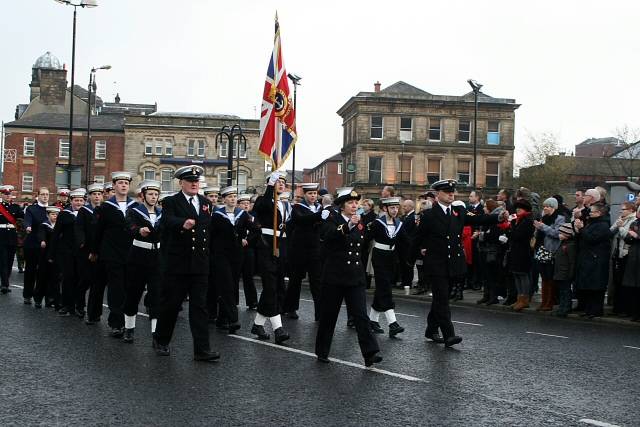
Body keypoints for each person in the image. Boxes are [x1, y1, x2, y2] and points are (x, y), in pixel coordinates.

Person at [411, 180, 504, 347]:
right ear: (438, 194)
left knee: (441, 298)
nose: (451, 194)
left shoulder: (459, 211)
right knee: (442, 299)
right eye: (447, 192)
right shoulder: (429, 216)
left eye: (452, 191)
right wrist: (418, 252)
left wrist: (497, 217)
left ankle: (431, 329)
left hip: (453, 262)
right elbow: (417, 238)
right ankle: (449, 335)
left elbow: (478, 218)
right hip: (436, 263)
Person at [154, 165, 219, 362]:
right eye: (190, 181)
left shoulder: (206, 203)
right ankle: (161, 339)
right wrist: (181, 223)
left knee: (200, 307)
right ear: (181, 182)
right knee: (171, 305)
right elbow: (166, 221)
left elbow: (209, 233)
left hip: (199, 264)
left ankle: (202, 350)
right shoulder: (172, 202)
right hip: (178, 264)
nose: (194, 184)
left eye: (196, 181)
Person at [315, 187, 382, 367]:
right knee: (329, 316)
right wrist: (348, 226)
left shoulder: (360, 222)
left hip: (354, 276)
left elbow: (362, 243)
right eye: (350, 203)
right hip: (334, 276)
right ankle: (322, 351)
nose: (354, 206)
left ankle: (370, 353)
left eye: (356, 203)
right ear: (342, 205)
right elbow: (328, 236)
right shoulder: (331, 218)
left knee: (360, 315)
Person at [90, 172, 136, 337]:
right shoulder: (106, 207)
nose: (124, 185)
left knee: (128, 288)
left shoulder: (135, 206)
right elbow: (98, 231)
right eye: (120, 183)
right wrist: (95, 251)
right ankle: (116, 323)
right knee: (116, 288)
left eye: (126, 183)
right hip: (112, 253)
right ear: (114, 186)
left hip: (131, 253)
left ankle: (127, 321)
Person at [249, 171, 290, 344]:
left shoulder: (285, 205)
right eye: (277, 182)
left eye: (283, 182)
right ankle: (278, 329)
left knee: (278, 288)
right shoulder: (264, 201)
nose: (281, 184)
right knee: (271, 287)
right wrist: (269, 187)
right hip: (266, 247)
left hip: (280, 248)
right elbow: (262, 206)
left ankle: (258, 324)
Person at [122, 180, 163, 344]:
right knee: (133, 292)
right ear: (143, 196)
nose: (153, 197)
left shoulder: (162, 213)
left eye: (156, 194)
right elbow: (129, 226)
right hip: (138, 255)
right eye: (150, 194)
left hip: (157, 256)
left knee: (156, 294)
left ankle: (156, 333)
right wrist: (139, 230)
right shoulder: (134, 211)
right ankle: (129, 328)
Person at [210, 186, 250, 334]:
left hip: (236, 255)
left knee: (232, 286)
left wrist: (247, 239)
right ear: (224, 199)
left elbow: (254, 229)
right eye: (230, 197)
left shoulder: (242, 214)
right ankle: (233, 319)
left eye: (235, 197)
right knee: (226, 285)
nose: (233, 199)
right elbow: (211, 235)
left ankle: (221, 319)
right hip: (220, 255)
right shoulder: (217, 215)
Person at [366, 196, 408, 337]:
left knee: (382, 289)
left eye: (396, 207)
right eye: (392, 208)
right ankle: (393, 323)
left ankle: (372, 321)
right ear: (385, 209)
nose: (395, 210)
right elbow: (365, 239)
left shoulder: (399, 224)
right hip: (379, 257)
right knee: (385, 289)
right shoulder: (377, 223)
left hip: (391, 258)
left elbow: (406, 241)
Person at [283, 183, 324, 320]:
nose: (313, 196)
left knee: (316, 282)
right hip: (299, 249)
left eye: (315, 194)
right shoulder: (297, 207)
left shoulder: (320, 207)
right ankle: (290, 308)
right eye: (310, 194)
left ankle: (320, 312)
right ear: (305, 194)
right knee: (295, 280)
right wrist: (318, 217)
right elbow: (300, 220)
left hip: (314, 249)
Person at [48, 188, 86, 317]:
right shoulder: (64, 214)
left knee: (81, 279)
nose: (79, 203)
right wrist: (51, 254)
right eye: (76, 200)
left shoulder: (87, 213)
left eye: (81, 200)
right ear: (71, 201)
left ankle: (79, 306)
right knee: (68, 278)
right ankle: (66, 305)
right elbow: (56, 233)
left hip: (82, 252)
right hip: (66, 251)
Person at [574, 202, 611, 319]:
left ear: (599, 213)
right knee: (589, 286)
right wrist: (579, 229)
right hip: (588, 258)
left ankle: (596, 310)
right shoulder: (592, 223)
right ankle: (588, 309)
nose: (590, 213)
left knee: (596, 287)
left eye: (592, 212)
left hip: (596, 260)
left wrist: (581, 229)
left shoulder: (603, 225)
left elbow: (592, 239)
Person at [75, 183, 104, 322]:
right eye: (94, 194)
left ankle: (94, 311)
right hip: (86, 250)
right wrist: (82, 242)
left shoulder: (105, 210)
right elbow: (79, 228)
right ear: (90, 197)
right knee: (85, 279)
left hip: (101, 250)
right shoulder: (84, 211)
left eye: (99, 194)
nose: (97, 197)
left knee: (97, 282)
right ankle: (79, 305)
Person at [532, 197, 564, 311]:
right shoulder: (544, 217)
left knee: (550, 277)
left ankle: (549, 302)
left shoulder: (560, 218)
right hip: (541, 249)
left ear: (554, 207)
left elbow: (557, 233)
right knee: (544, 277)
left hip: (551, 250)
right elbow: (540, 233)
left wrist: (542, 227)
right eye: (544, 206)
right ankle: (543, 301)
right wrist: (537, 229)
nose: (545, 208)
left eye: (548, 206)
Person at [505, 199, 536, 312]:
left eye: (520, 208)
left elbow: (517, 235)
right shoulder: (517, 220)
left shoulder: (527, 221)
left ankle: (525, 299)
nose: (517, 210)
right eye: (517, 208)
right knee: (516, 274)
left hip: (523, 251)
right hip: (515, 250)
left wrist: (510, 229)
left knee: (523, 275)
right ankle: (519, 298)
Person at [475, 199, 506, 305]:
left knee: (492, 274)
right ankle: (486, 295)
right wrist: (483, 234)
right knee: (485, 274)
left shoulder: (495, 220)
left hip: (491, 250)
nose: (483, 208)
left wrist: (481, 234)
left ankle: (493, 296)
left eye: (485, 207)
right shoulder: (487, 218)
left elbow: (493, 235)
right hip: (484, 249)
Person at [22, 187, 49, 304]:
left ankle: (39, 298)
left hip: (46, 245)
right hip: (32, 243)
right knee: (30, 270)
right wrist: (27, 226)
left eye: (47, 194)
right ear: (38, 196)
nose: (45, 196)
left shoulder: (52, 209)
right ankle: (27, 295)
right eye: (42, 194)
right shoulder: (31, 209)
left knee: (43, 272)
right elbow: (27, 220)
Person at [610, 201, 636, 316]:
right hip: (618, 253)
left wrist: (621, 227)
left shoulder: (633, 220)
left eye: (623, 209)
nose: (621, 211)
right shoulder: (621, 219)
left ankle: (625, 309)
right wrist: (617, 224)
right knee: (617, 281)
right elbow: (611, 231)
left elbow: (627, 237)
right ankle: (617, 308)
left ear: (631, 210)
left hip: (626, 254)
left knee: (624, 282)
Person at [35, 206, 60, 308]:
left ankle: (51, 299)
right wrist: (42, 240)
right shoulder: (44, 225)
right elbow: (41, 234)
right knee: (42, 277)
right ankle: (38, 299)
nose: (55, 216)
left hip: (56, 254)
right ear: (48, 215)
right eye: (53, 214)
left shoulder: (59, 226)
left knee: (54, 278)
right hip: (45, 255)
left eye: (56, 214)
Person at [0, 185, 24, 295]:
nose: (7, 196)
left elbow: (22, 218)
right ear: (1, 195)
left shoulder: (15, 207)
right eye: (5, 194)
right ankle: (5, 284)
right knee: (3, 260)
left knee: (9, 260)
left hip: (12, 237)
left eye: (9, 194)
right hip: (1, 235)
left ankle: (5, 281)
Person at [238, 193, 258, 310]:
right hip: (237, 249)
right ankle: (234, 301)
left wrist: (247, 240)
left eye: (247, 203)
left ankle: (252, 302)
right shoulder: (236, 216)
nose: (246, 205)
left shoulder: (253, 218)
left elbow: (256, 232)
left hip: (249, 249)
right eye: (243, 203)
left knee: (249, 277)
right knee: (234, 277)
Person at [553, 223, 577, 317]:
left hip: (565, 272)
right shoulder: (563, 243)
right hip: (560, 271)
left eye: (561, 233)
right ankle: (562, 307)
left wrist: (571, 273)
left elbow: (572, 261)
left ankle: (566, 307)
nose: (559, 235)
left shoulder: (570, 245)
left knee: (566, 291)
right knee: (562, 291)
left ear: (567, 234)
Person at [622, 206, 640, 321]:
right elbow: (627, 238)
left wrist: (637, 236)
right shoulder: (635, 222)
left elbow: (635, 236)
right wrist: (630, 236)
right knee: (633, 288)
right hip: (633, 256)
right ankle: (634, 313)